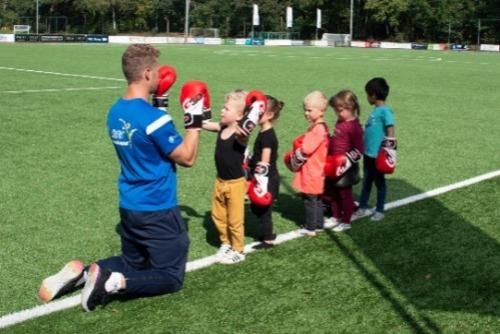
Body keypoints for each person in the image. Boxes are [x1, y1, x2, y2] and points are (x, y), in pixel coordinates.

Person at [38, 44, 206, 312]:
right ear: (147, 73)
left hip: (130, 205)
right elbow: (186, 157)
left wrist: (160, 104)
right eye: (158, 72)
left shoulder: (115, 111)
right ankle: (110, 282)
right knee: (170, 277)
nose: (162, 77)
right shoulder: (153, 119)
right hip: (157, 208)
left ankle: (82, 275)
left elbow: (148, 137)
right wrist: (195, 123)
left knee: (133, 262)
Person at [203, 89, 267, 264]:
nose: (222, 111)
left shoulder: (240, 136)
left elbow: (243, 133)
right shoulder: (222, 127)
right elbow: (206, 124)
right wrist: (197, 110)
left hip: (236, 184)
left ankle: (239, 249)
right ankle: (225, 242)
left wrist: (254, 111)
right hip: (220, 181)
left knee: (235, 220)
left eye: (226, 109)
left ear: (239, 116)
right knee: (218, 215)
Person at [287, 91, 329, 237]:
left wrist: (294, 156)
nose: (306, 113)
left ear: (321, 111)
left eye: (309, 110)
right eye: (305, 109)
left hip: (312, 170)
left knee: (310, 200)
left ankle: (310, 227)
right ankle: (319, 224)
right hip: (318, 169)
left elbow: (306, 149)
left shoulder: (317, 129)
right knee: (316, 199)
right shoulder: (322, 127)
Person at [353, 77, 395, 222]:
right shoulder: (375, 111)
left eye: (367, 94)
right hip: (368, 154)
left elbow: (390, 130)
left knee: (380, 183)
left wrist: (388, 152)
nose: (367, 97)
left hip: (378, 155)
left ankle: (380, 209)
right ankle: (362, 207)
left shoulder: (385, 111)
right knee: (367, 181)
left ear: (374, 95)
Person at [323, 90, 364, 232]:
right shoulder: (341, 121)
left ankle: (346, 220)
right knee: (333, 191)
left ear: (349, 108)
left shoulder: (354, 127)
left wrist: (345, 161)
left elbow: (360, 149)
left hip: (346, 167)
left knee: (345, 195)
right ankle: (335, 216)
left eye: (339, 110)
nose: (337, 113)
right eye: (335, 110)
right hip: (332, 163)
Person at [247, 95, 284, 249]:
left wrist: (260, 181)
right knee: (256, 208)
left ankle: (268, 239)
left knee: (264, 209)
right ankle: (268, 232)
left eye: (259, 113)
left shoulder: (268, 136)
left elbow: (265, 160)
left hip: (267, 179)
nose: (255, 116)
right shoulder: (263, 132)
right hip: (264, 177)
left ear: (269, 115)